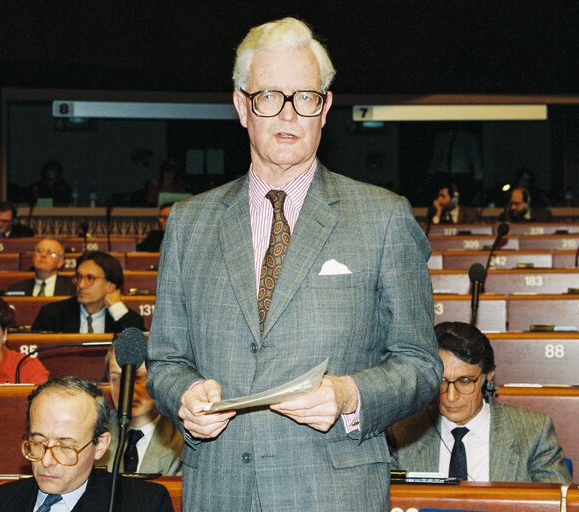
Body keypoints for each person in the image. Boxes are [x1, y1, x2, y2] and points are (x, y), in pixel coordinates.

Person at [146, 17, 442, 511]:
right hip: (219, 490)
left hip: (333, 492)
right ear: (242, 106)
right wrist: (183, 397)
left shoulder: (383, 217)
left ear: (325, 108)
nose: (289, 115)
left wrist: (349, 394)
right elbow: (166, 362)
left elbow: (421, 365)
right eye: (269, 97)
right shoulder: (189, 222)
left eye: (305, 97)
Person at [386, 321, 572, 484]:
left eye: (464, 381)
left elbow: (559, 502)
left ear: (487, 377)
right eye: (442, 381)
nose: (451, 396)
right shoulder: (403, 432)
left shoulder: (533, 432)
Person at [0, 376, 173, 511]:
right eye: (38, 442)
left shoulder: (143, 504)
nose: (47, 461)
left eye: (64, 447)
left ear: (100, 445)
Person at [100, 340, 183, 475]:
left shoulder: (183, 436)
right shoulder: (96, 432)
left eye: (138, 377)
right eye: (117, 378)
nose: (127, 389)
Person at [32, 251, 144, 334]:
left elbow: (141, 349)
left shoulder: (124, 318)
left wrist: (117, 308)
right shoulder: (51, 314)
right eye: (79, 277)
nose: (81, 285)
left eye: (90, 278)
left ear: (110, 286)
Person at [7, 238, 74, 296]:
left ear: (60, 262)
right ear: (33, 258)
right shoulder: (16, 290)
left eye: (50, 252)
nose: (43, 255)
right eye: (39, 251)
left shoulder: (72, 288)